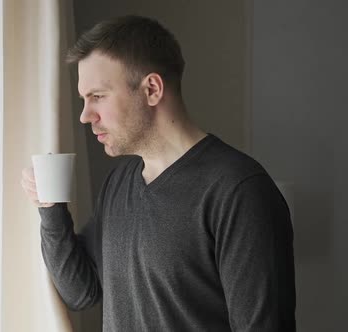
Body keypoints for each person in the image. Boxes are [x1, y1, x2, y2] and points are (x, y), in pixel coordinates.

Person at [20, 15, 295, 331]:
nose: (85, 115)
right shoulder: (120, 182)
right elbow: (80, 292)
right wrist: (50, 209)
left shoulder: (238, 190)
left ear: (151, 89)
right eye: (84, 99)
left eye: (97, 96)